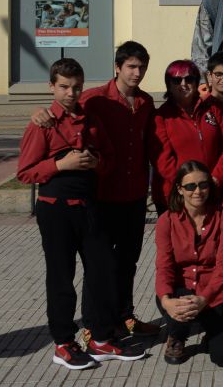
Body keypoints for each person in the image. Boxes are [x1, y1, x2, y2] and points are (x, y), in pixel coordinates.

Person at [18, 58, 143, 369]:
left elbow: (110, 158)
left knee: (102, 269)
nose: (70, 93)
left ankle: (100, 337)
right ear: (51, 87)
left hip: (89, 207)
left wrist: (97, 163)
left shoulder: (89, 121)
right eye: (63, 87)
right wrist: (61, 165)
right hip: (56, 210)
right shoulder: (43, 123)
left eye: (76, 87)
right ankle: (63, 343)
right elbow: (25, 172)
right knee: (61, 277)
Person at [79, 41, 160, 338]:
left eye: (142, 67)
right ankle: (91, 324)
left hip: (134, 195)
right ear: (117, 67)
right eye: (131, 67)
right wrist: (41, 113)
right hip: (102, 195)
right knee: (99, 264)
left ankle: (125, 316)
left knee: (128, 261)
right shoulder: (94, 100)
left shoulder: (146, 103)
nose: (137, 73)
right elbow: (65, 117)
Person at [155, 161, 223, 367]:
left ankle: (210, 332)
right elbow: (164, 266)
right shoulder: (166, 221)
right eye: (190, 186)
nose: (198, 191)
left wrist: (204, 299)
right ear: (179, 189)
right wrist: (166, 301)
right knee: (179, 305)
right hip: (181, 291)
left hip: (214, 293)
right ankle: (176, 335)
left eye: (203, 185)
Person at [153, 60, 223, 212]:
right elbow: (162, 160)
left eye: (189, 79)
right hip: (177, 195)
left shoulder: (213, 109)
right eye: (177, 80)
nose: (183, 84)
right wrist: (188, 186)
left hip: (211, 191)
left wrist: (215, 179)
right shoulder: (161, 117)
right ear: (168, 84)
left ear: (197, 82)